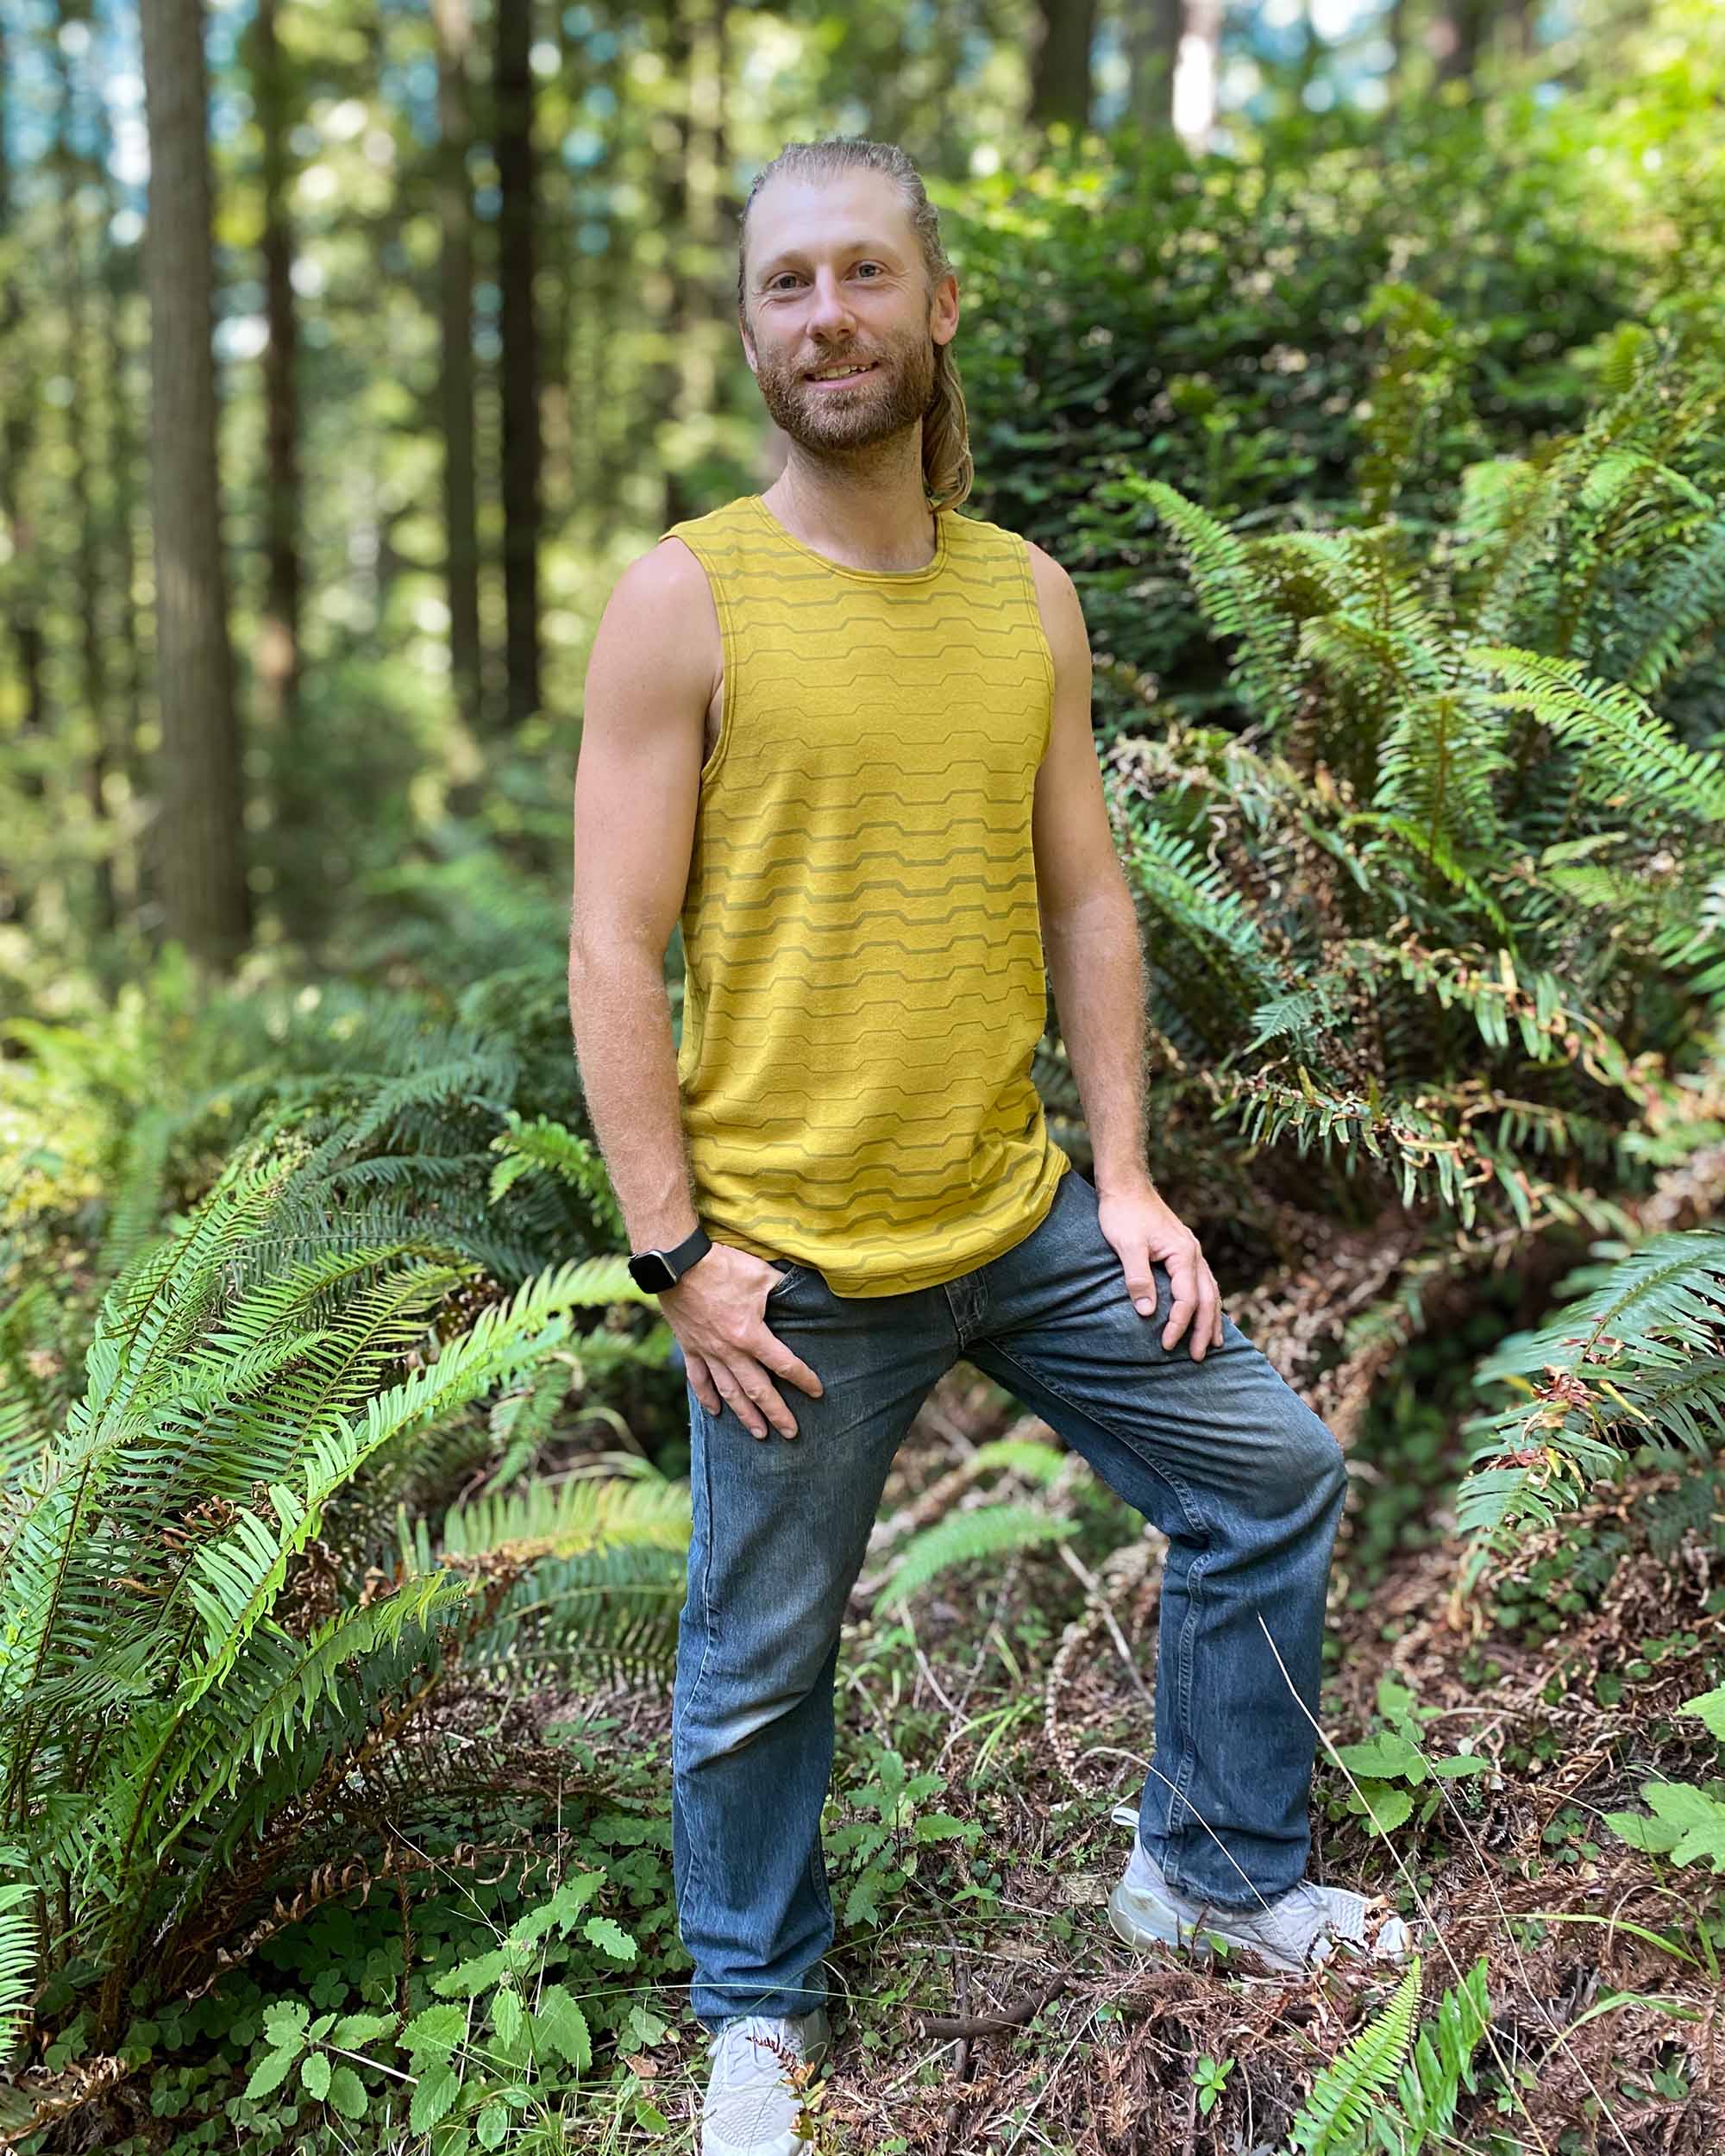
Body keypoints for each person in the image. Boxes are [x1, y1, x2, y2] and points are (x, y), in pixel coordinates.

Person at [568, 135, 1414, 2156]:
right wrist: (679, 1254)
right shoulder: (686, 597)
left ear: (937, 308)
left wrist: (1123, 1175)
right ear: (752, 329)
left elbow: (1092, 899)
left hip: (1022, 1208)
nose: (828, 316)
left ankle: (1210, 1870)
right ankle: (755, 2013)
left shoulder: (1022, 595)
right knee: (759, 1660)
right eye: (788, 284)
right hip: (795, 1261)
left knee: (1271, 1475)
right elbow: (609, 938)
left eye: (864, 274)